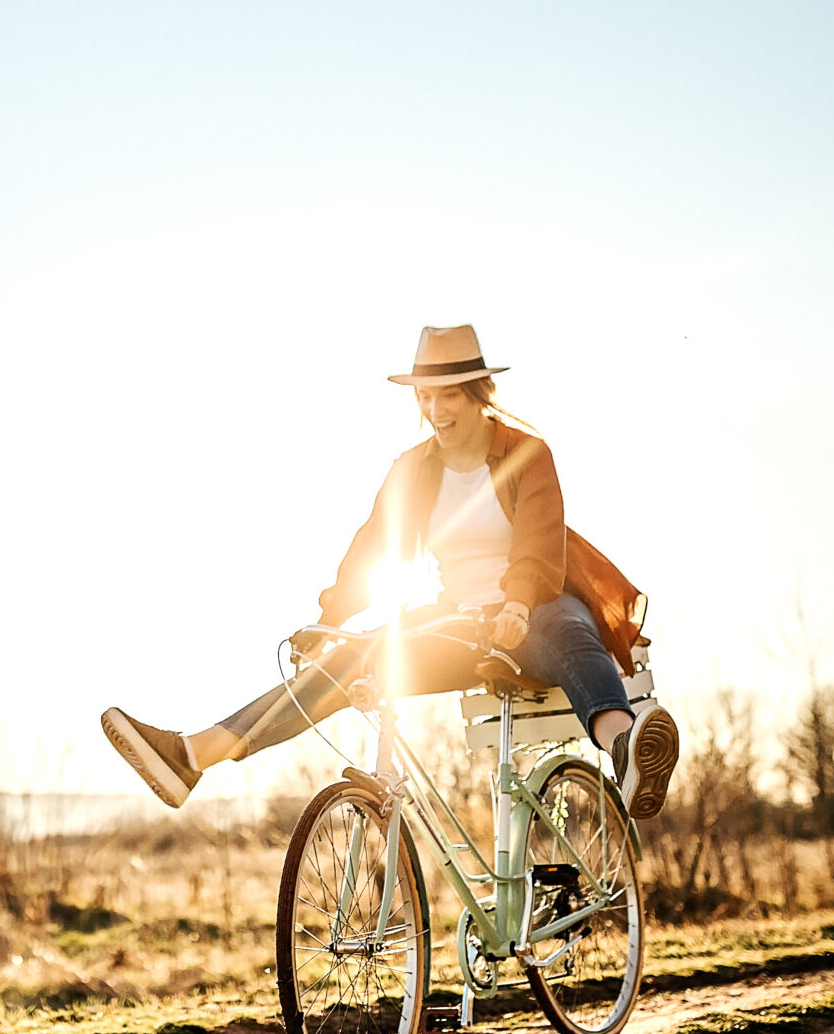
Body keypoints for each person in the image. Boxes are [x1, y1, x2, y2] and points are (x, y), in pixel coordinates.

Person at [101, 324, 681, 816]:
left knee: (570, 634)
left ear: (478, 392)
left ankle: (626, 748)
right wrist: (330, 619)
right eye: (424, 398)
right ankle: (192, 754)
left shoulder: (528, 454)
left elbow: (538, 546)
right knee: (354, 654)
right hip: (462, 623)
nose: (433, 411)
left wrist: (517, 605)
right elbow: (374, 547)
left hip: (538, 606)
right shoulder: (413, 468)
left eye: (446, 396)